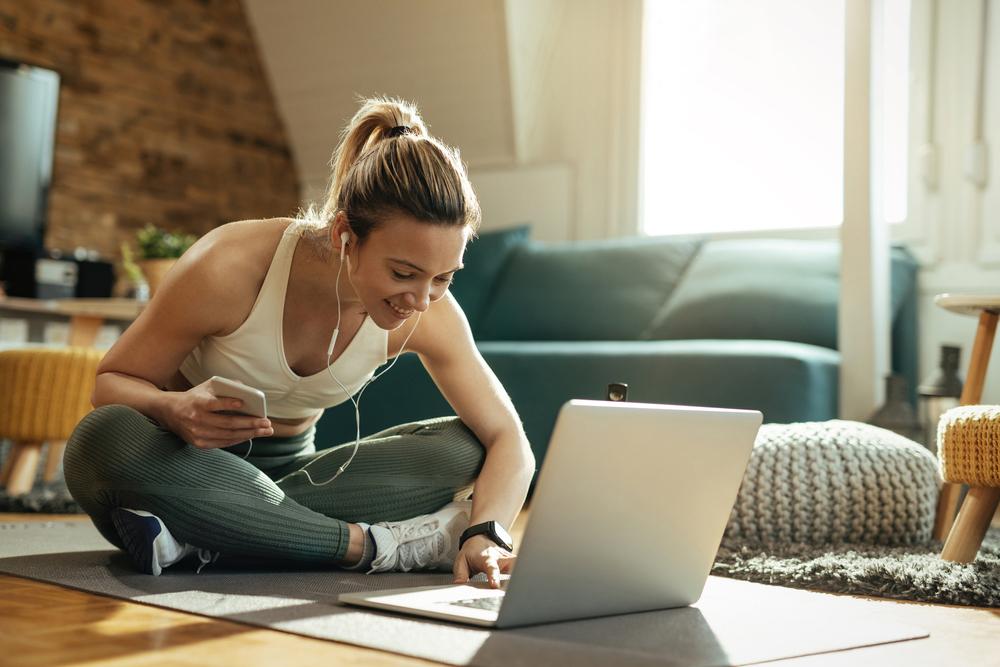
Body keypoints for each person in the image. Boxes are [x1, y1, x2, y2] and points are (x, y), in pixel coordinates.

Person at [63, 97, 536, 589]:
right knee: (101, 438)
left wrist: (487, 533)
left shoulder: (430, 312)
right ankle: (376, 546)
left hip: (307, 479)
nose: (420, 300)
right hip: (184, 466)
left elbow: (511, 441)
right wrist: (171, 407)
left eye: (444, 278)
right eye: (403, 273)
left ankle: (202, 537)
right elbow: (109, 384)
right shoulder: (229, 266)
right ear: (344, 235)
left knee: (466, 447)